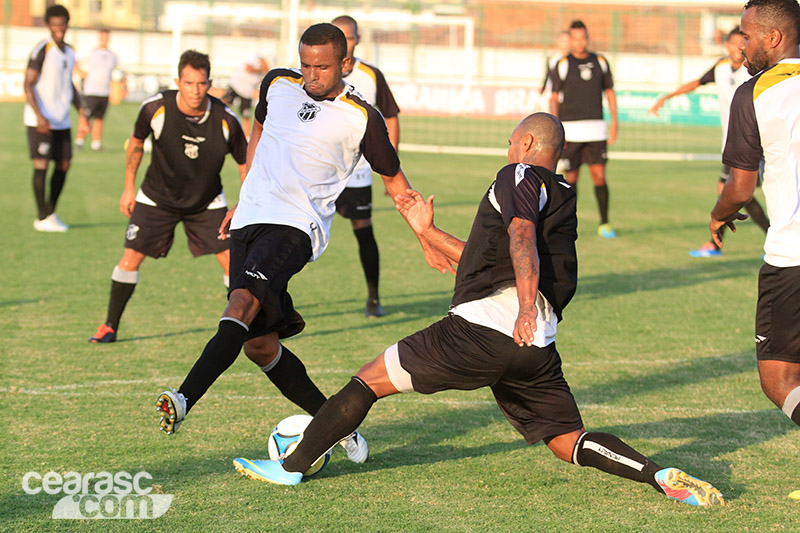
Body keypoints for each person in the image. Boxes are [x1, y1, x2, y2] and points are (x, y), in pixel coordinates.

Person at [230, 113, 725, 508]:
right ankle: (656, 475)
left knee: (369, 380)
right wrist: (426, 232)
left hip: (487, 328)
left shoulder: (519, 174)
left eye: (512, 143)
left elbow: (519, 237)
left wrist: (525, 307)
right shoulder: (562, 194)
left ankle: (291, 466)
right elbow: (491, 255)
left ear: (529, 146)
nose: (507, 152)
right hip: (536, 347)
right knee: (565, 439)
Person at [154, 24, 451, 463]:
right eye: (306, 65)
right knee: (259, 345)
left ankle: (182, 398)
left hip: (295, 228)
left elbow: (398, 186)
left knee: (240, 302)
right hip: (251, 219)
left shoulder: (362, 117)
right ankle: (339, 426)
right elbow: (259, 131)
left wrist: (426, 237)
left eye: (323, 67)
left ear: (345, 64)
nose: (311, 76)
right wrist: (244, 195)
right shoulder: (277, 83)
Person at [88, 50, 247, 343]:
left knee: (232, 262)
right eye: (188, 83)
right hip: (156, 197)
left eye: (201, 83)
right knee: (130, 258)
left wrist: (244, 204)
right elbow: (136, 143)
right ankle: (110, 325)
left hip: (206, 202)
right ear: (178, 81)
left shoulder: (226, 119)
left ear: (209, 82)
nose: (195, 90)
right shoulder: (155, 108)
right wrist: (127, 187)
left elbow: (245, 162)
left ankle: (242, 329)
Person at [708, 0, 800, 493]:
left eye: (747, 34)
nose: (739, 43)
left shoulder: (754, 93)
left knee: (779, 379)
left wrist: (719, 215)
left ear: (774, 39)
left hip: (792, 255)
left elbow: (742, 188)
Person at [650, 26, 770, 257]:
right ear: (727, 45)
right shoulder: (720, 68)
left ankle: (728, 242)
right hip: (734, 144)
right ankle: (722, 243)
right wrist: (667, 97)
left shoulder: (754, 70)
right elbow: (696, 83)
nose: (739, 47)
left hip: (757, 143)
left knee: (739, 191)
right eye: (735, 42)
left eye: (742, 42)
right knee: (733, 191)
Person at [331, 15, 401, 317]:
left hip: (357, 173)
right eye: (338, 36)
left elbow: (391, 117)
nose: (344, 42)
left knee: (363, 231)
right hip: (319, 171)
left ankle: (374, 297)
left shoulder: (371, 75)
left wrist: (390, 167)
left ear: (356, 40)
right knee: (294, 232)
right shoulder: (315, 73)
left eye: (348, 37)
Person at [550, 20, 618, 239]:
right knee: (571, 179)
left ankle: (605, 223)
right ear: (570, 39)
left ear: (588, 38)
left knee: (599, 176)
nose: (580, 42)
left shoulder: (600, 61)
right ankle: (569, 225)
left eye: (583, 37)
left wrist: (615, 122)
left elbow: (609, 92)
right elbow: (553, 98)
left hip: (596, 130)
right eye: (576, 38)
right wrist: (557, 128)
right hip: (571, 131)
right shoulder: (562, 63)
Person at [24, 4, 83, 233]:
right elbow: (28, 83)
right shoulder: (41, 50)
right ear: (49, 25)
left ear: (67, 25)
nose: (59, 28)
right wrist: (40, 117)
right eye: (55, 24)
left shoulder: (69, 51)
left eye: (63, 24)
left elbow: (69, 84)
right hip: (41, 120)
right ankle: (41, 216)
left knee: (64, 165)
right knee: (41, 165)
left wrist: (83, 113)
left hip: (62, 120)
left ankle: (50, 212)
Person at [75, 28, 125, 151]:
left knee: (99, 118)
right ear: (99, 38)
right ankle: (79, 141)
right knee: (86, 117)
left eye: (107, 37)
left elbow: (120, 70)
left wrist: (124, 84)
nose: (105, 39)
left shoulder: (112, 55)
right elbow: (75, 61)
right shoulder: (91, 52)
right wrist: (81, 72)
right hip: (91, 90)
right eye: (103, 37)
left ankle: (96, 143)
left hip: (105, 91)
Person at [221, 53, 269, 136]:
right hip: (236, 85)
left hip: (246, 93)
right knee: (222, 105)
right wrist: (261, 69)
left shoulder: (264, 72)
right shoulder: (255, 58)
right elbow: (248, 68)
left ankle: (246, 136)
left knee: (246, 115)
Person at [537, 31, 570, 113]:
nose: (565, 43)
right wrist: (541, 94)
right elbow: (547, 76)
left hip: (568, 96)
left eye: (567, 41)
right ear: (558, 42)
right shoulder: (552, 58)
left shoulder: (572, 60)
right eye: (563, 40)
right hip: (553, 96)